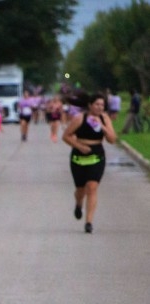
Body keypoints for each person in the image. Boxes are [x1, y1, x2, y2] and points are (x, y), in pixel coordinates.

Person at [62, 92, 117, 234]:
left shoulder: (105, 118)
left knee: (92, 187)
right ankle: (78, 203)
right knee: (81, 189)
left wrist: (103, 127)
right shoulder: (80, 118)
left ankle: (89, 222)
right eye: (97, 104)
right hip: (79, 155)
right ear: (90, 105)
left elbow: (112, 139)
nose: (99, 107)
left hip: (97, 154)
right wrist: (79, 147)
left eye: (102, 105)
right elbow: (66, 136)